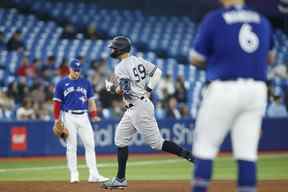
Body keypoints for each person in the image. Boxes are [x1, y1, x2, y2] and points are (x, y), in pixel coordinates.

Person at [190, 0, 275, 191]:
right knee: (247, 152)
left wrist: (218, 60)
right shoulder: (262, 20)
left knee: (205, 147)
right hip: (257, 90)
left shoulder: (215, 18)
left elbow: (196, 58)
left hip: (225, 87)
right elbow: (271, 57)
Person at [102, 36, 194, 189]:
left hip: (138, 106)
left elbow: (126, 90)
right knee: (120, 139)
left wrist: (112, 89)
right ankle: (120, 179)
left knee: (157, 143)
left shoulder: (120, 67)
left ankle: (189, 156)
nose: (112, 50)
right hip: (136, 106)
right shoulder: (138, 60)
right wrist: (148, 89)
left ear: (120, 49)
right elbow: (157, 72)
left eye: (113, 47)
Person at [53, 59, 108, 183]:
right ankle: (74, 174)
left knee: (90, 145)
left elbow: (91, 100)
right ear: (70, 69)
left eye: (78, 70)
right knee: (71, 147)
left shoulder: (86, 83)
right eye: (75, 70)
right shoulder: (61, 83)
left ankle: (93, 174)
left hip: (84, 116)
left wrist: (93, 114)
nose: (77, 72)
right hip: (69, 116)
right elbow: (57, 103)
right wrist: (57, 119)